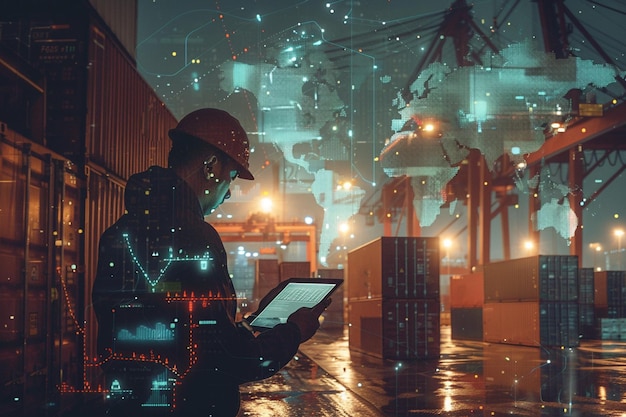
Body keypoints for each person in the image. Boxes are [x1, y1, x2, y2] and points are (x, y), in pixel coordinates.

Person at [91, 108, 328, 416]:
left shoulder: (117, 234)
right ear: (211, 166)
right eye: (230, 177)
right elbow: (230, 359)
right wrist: (294, 331)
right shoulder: (196, 238)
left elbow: (188, 332)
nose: (228, 194)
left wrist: (255, 321)